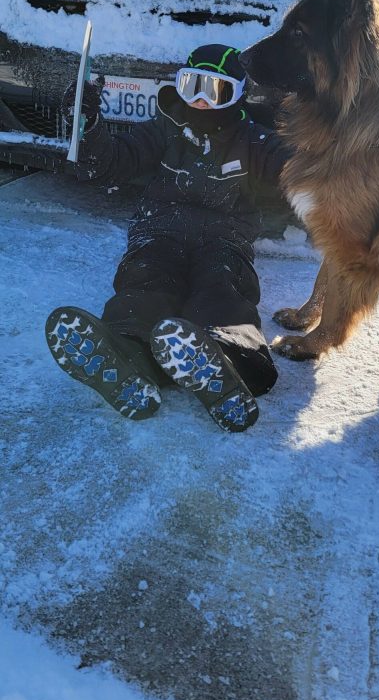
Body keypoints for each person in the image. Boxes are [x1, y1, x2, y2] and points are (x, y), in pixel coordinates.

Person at [45, 44, 287, 433]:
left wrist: (327, 149)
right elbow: (108, 165)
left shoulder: (253, 140)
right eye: (193, 86)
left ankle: (231, 355)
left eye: (216, 91)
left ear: (238, 95)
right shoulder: (164, 128)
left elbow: (296, 172)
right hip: (159, 230)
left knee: (221, 286)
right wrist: (87, 126)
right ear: (180, 86)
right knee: (146, 280)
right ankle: (127, 351)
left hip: (224, 238)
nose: (203, 101)